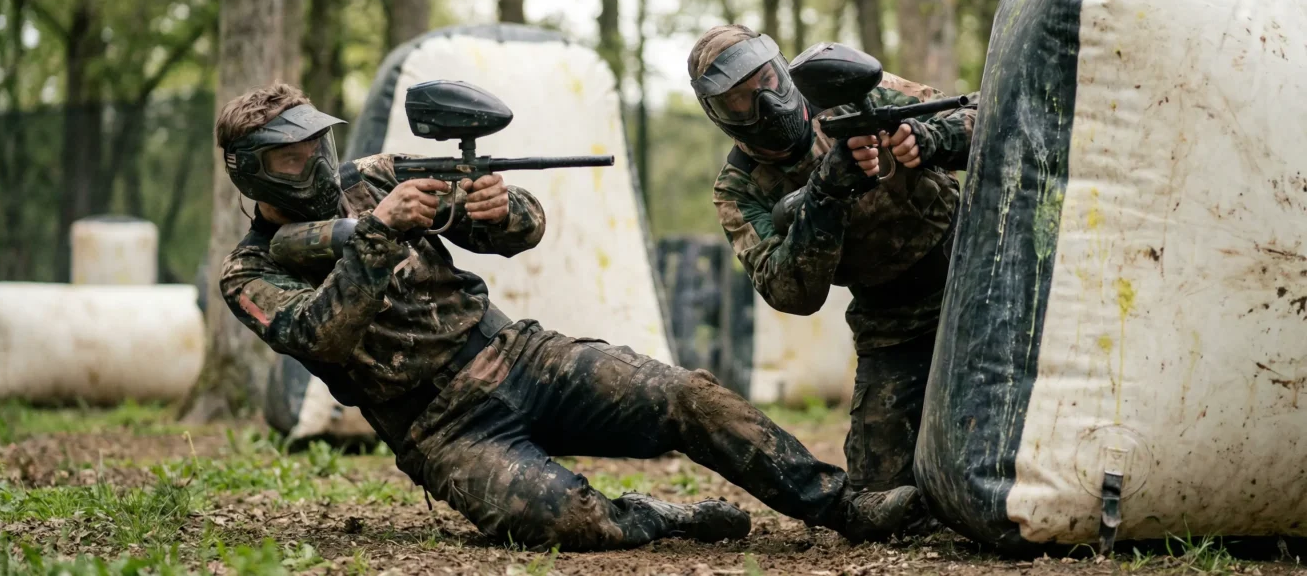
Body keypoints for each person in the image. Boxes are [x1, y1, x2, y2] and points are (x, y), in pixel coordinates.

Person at [215, 82, 928, 552]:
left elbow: (524, 227)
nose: (314, 165)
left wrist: (503, 210)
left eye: (317, 146)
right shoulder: (248, 274)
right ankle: (660, 517)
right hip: (440, 428)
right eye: (290, 157)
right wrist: (378, 235)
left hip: (522, 357)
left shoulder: (374, 176)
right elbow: (320, 337)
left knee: (690, 396)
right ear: (251, 171)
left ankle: (842, 505)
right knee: (569, 522)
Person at [689, 25, 976, 514]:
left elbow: (987, 118)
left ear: (783, 72)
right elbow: (791, 294)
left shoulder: (849, 95)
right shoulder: (739, 189)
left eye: (765, 83)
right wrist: (826, 195)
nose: (761, 104)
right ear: (719, 115)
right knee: (878, 496)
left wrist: (932, 138)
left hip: (972, 278)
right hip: (891, 326)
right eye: (738, 100)